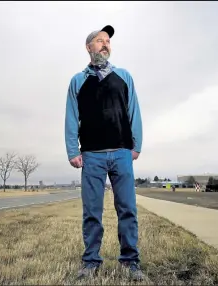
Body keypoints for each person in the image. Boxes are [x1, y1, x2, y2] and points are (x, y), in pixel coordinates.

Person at [64, 25, 144, 281]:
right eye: (100, 41)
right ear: (89, 47)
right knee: (92, 212)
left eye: (108, 41)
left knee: (127, 209)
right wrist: (72, 150)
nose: (105, 44)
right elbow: (71, 117)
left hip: (121, 152)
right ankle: (91, 262)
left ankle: (130, 261)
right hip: (92, 156)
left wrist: (136, 145)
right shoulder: (78, 80)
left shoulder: (124, 76)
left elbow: (134, 111)